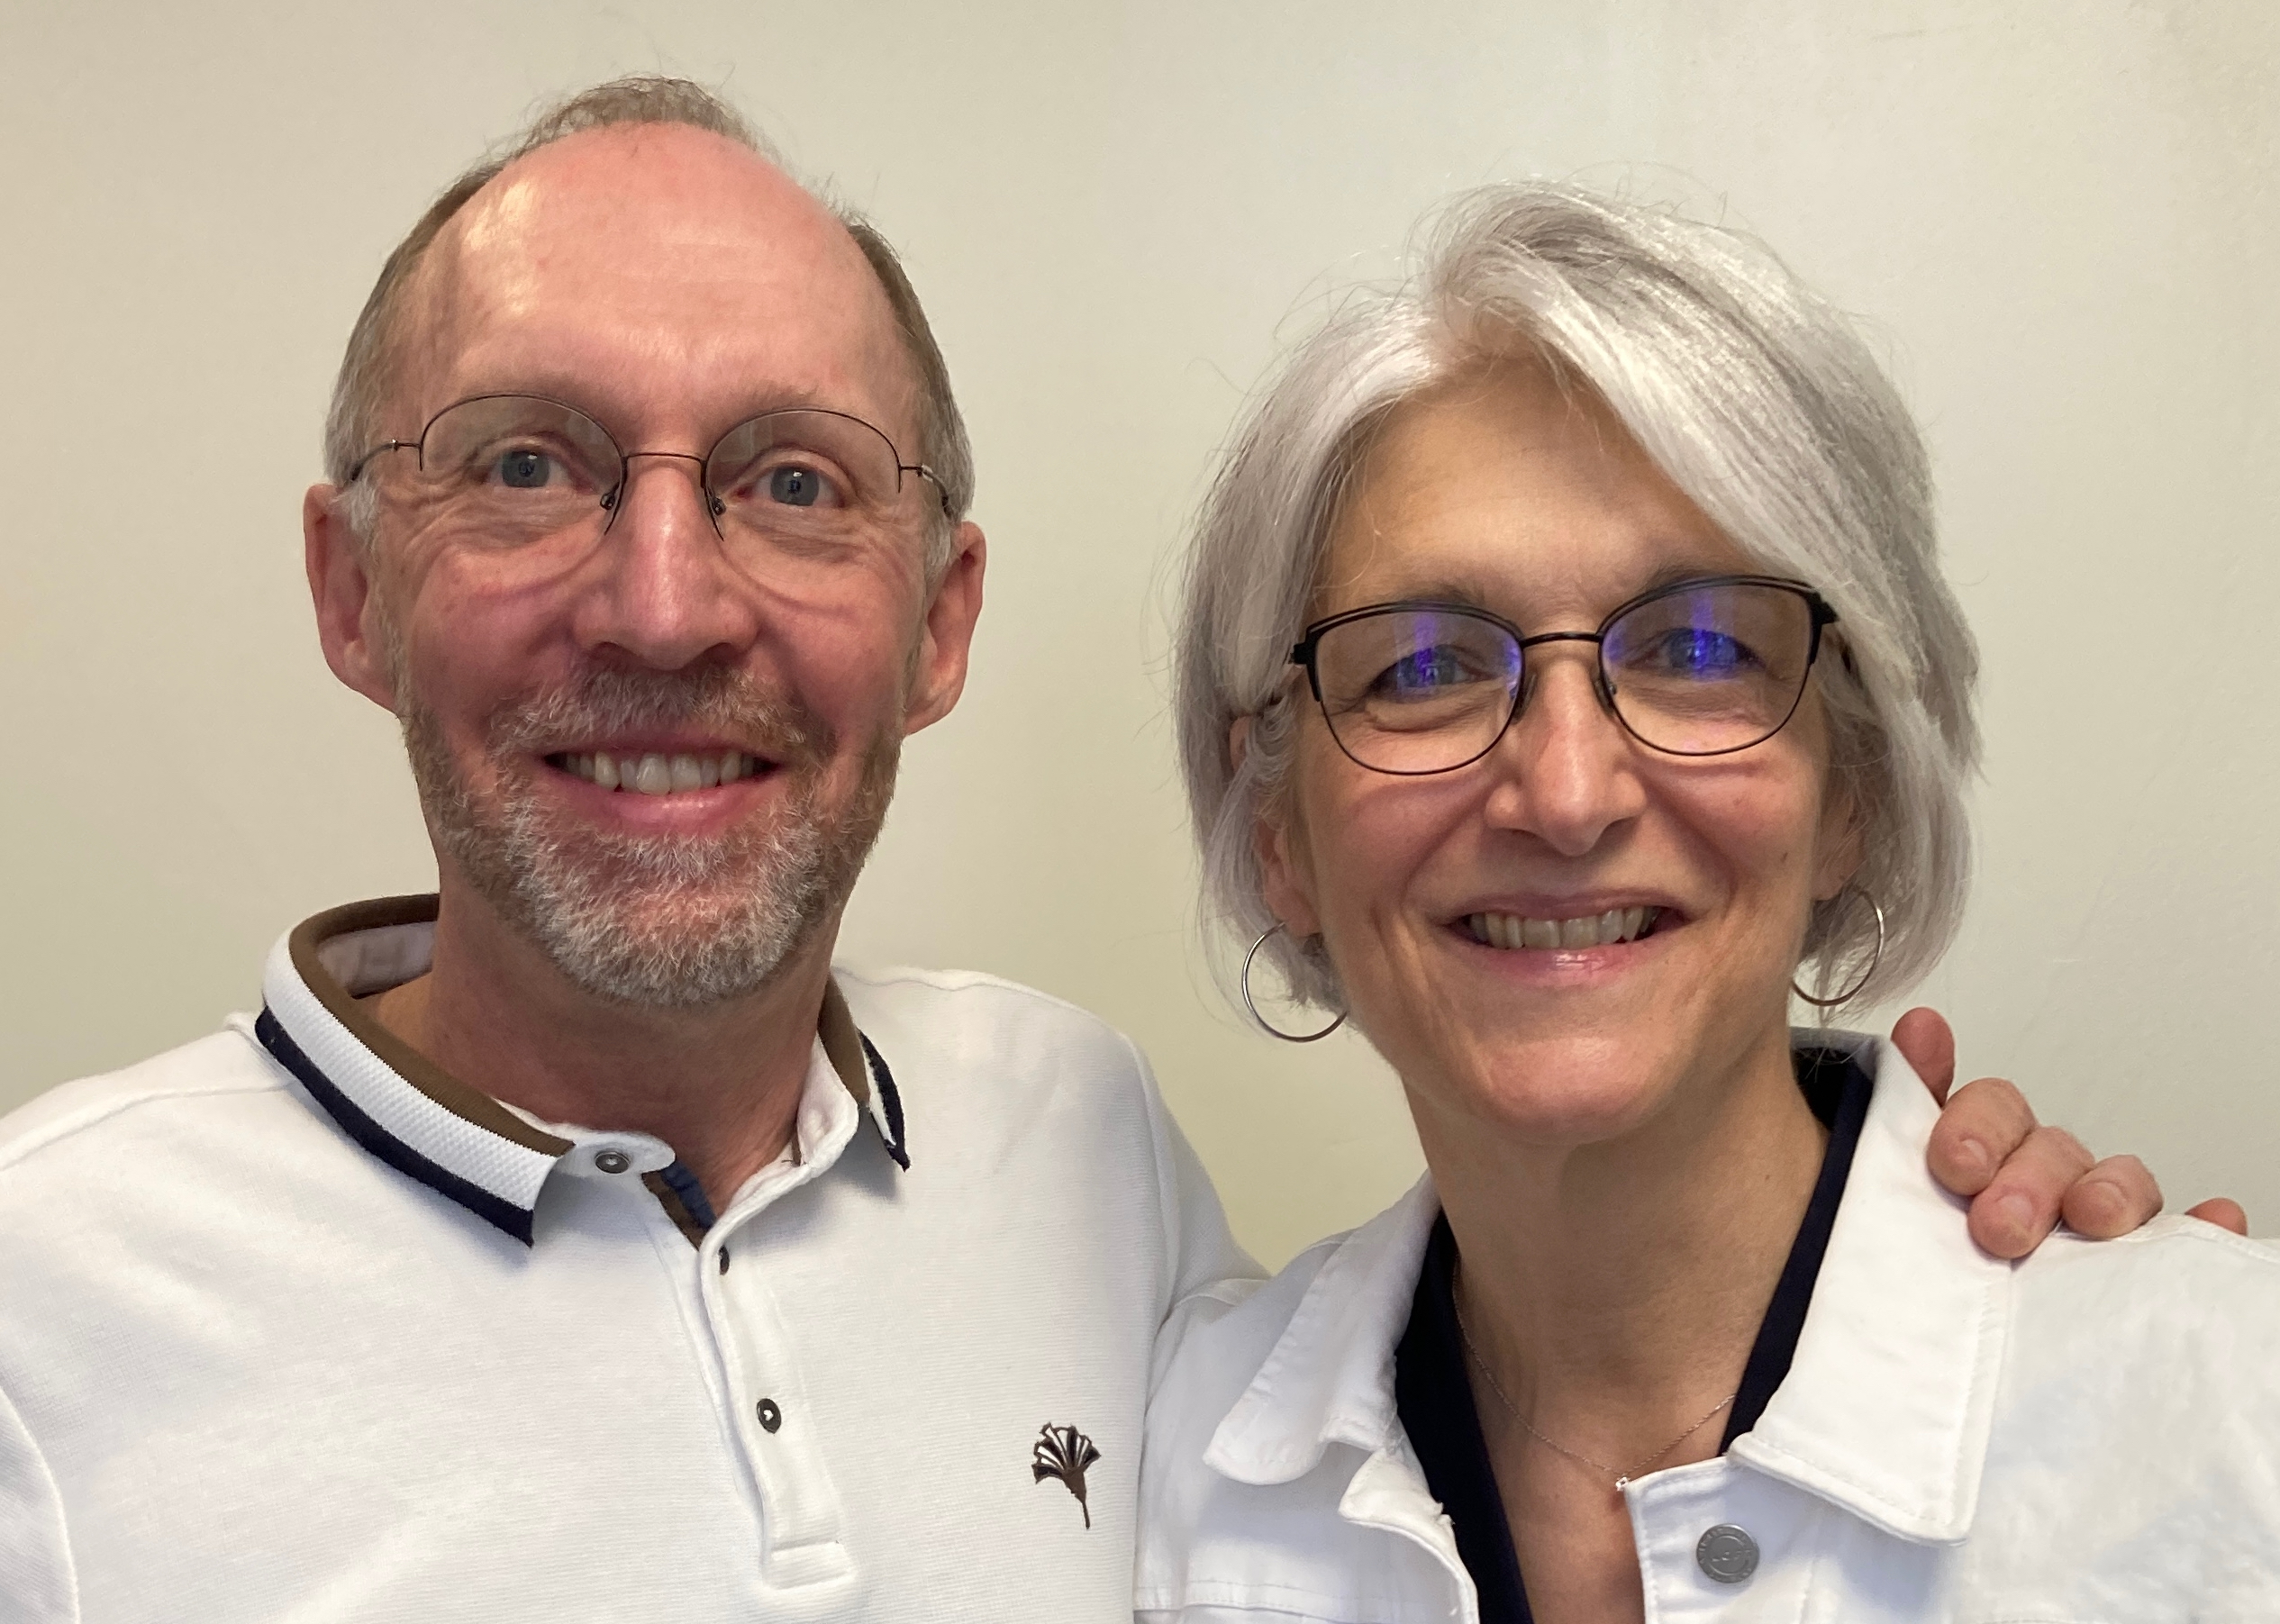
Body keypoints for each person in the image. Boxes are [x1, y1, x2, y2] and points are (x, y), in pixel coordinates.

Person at [0, 81, 2189, 1622]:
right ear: (350, 584)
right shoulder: (44, 1312)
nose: (663, 604)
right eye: (523, 464)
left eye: (792, 480)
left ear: (941, 616)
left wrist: (2065, 1297)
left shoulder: (1078, 1148)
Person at [1138, 183, 2280, 1621]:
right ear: (1278, 834)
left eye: (1696, 648)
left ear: (1854, 782)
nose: (1566, 794)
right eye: (1423, 668)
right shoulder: (1167, 1492)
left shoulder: (2231, 1427)